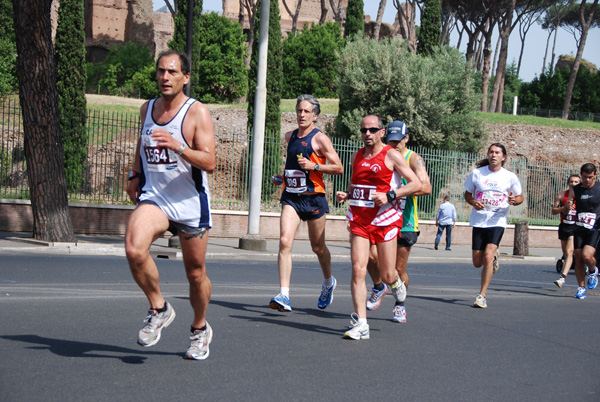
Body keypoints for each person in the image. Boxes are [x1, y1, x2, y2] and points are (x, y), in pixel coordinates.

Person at [125, 50, 216, 360]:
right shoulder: (146, 108)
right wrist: (134, 173)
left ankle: (200, 329)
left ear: (185, 77)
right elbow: (142, 143)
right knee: (135, 249)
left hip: (190, 202)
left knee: (195, 274)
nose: (165, 77)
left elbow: (210, 161)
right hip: (156, 197)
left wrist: (178, 146)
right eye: (161, 71)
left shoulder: (197, 113)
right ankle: (159, 307)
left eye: (172, 72)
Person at [336, 115, 422, 340]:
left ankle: (395, 285)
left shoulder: (391, 155)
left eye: (372, 130)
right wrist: (347, 194)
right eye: (364, 130)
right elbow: (356, 183)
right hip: (359, 220)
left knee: (387, 273)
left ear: (382, 132)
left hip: (385, 219)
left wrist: (391, 194)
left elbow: (416, 184)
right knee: (357, 269)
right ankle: (362, 323)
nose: (367, 134)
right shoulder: (356, 156)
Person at [269, 94, 344, 312]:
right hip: (291, 197)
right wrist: (282, 177)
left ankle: (329, 282)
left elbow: (338, 167)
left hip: (314, 199)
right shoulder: (289, 136)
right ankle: (284, 295)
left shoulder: (320, 138)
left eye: (306, 111)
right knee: (284, 242)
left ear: (315, 115)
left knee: (317, 247)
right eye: (299, 110)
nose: (301, 114)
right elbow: (292, 167)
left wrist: (315, 167)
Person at [364, 120, 432, 324]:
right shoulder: (382, 155)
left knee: (397, 269)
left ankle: (400, 305)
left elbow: (426, 187)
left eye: (398, 141)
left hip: (406, 221)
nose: (393, 145)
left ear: (406, 138)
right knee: (368, 255)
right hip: (381, 217)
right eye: (390, 141)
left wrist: (395, 193)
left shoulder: (414, 159)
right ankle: (379, 286)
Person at [464, 143, 523, 309]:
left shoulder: (509, 177)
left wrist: (514, 201)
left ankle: (481, 296)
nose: (493, 155)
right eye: (491, 152)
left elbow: (520, 197)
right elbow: (467, 194)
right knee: (477, 262)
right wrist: (473, 202)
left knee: (488, 256)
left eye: (497, 152)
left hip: (497, 221)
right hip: (479, 220)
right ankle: (492, 258)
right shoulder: (477, 174)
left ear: (503, 157)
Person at [563, 163, 600, 299]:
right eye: (584, 177)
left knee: (586, 256)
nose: (587, 180)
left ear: (595, 175)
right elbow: (569, 205)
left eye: (590, 177)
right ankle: (581, 288)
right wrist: (568, 205)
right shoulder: (576, 189)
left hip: (595, 227)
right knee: (578, 257)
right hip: (579, 226)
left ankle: (592, 269)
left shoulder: (599, 188)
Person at [551, 174, 581, 288]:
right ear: (568, 183)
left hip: (575, 227)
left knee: (569, 252)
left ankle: (562, 278)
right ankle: (567, 266)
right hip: (564, 226)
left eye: (576, 182)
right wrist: (563, 209)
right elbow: (553, 211)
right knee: (565, 252)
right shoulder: (562, 195)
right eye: (572, 182)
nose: (574, 184)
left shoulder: (582, 196)